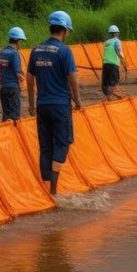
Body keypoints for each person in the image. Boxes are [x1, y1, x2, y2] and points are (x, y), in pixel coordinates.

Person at [27, 11, 82, 196]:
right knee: (63, 143)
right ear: (65, 31)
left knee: (45, 145)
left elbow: (29, 77)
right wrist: (78, 99)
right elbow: (72, 77)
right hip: (60, 105)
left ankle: (45, 188)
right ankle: (53, 191)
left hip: (42, 105)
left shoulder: (36, 50)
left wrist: (31, 104)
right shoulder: (65, 51)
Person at [0, 28, 25, 121]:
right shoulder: (14, 53)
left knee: (6, 115)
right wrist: (24, 79)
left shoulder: (1, 52)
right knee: (14, 116)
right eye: (21, 41)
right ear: (18, 40)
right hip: (13, 88)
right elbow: (18, 73)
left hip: (3, 88)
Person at [101, 25, 126, 98]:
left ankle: (108, 97)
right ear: (116, 33)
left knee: (106, 83)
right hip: (113, 64)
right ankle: (114, 98)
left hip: (105, 64)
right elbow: (118, 51)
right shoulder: (117, 41)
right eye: (117, 33)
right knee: (114, 83)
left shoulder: (106, 42)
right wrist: (123, 59)